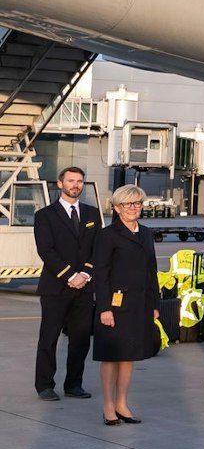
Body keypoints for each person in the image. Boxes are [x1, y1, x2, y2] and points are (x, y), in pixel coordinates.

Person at [90, 186, 159, 425]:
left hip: (139, 304)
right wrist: (104, 308)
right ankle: (108, 406)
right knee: (111, 356)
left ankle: (122, 403)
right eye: (127, 204)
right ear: (117, 208)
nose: (133, 208)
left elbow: (152, 271)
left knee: (128, 355)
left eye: (137, 203)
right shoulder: (107, 235)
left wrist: (154, 303)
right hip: (115, 304)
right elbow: (101, 273)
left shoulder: (147, 233)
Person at [33, 165, 98, 401]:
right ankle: (44, 386)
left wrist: (86, 275)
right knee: (49, 339)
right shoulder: (45, 216)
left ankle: (73, 384)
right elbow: (46, 251)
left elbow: (97, 249)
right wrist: (71, 276)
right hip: (55, 288)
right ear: (60, 184)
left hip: (84, 288)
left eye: (79, 181)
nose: (75, 185)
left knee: (80, 340)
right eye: (70, 181)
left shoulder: (92, 214)